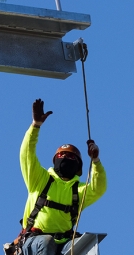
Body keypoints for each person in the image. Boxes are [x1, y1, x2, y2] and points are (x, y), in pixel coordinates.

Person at [17, 98, 106, 255]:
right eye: (62, 155)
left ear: (77, 166)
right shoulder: (40, 180)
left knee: (86, 245)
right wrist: (35, 126)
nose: (66, 158)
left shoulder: (77, 191)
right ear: (56, 160)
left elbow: (98, 188)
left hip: (63, 245)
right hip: (33, 242)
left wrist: (96, 161)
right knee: (46, 242)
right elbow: (27, 154)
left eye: (71, 157)